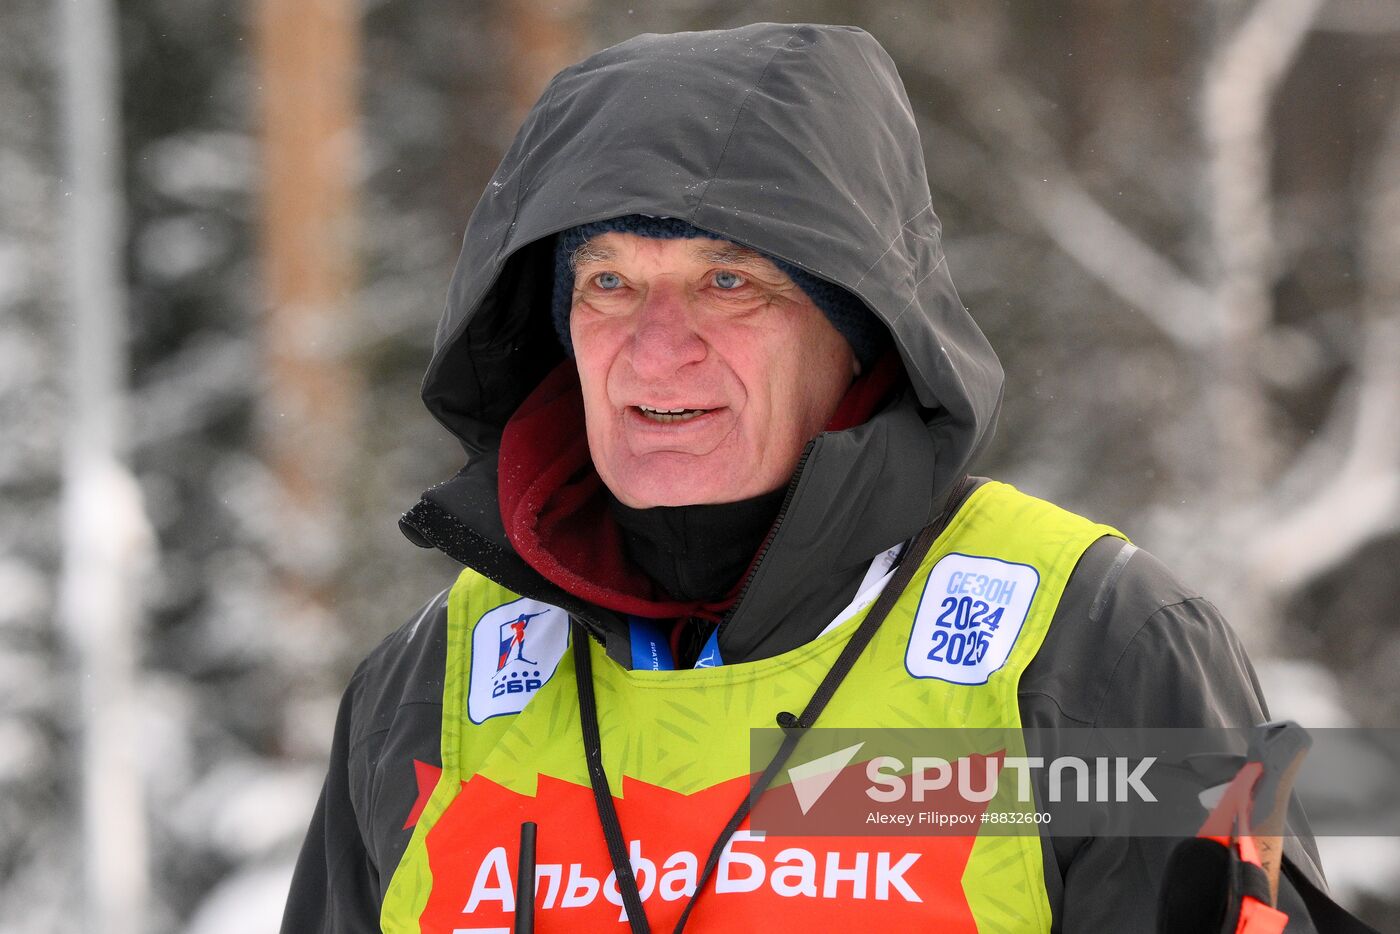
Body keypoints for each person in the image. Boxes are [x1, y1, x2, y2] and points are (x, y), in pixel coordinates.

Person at [282, 23, 1340, 933]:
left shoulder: (1085, 647)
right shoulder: (437, 683)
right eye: (607, 282)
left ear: (858, 327)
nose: (656, 351)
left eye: (729, 281)